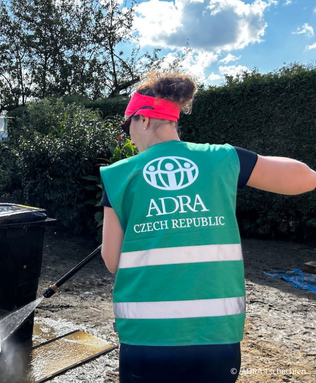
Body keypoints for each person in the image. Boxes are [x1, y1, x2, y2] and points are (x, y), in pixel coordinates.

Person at [99, 72, 316, 383]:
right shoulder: (223, 159)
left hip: (147, 336)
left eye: (127, 126)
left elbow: (111, 260)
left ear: (143, 119)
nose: (128, 136)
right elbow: (306, 177)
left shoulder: (119, 175)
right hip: (217, 336)